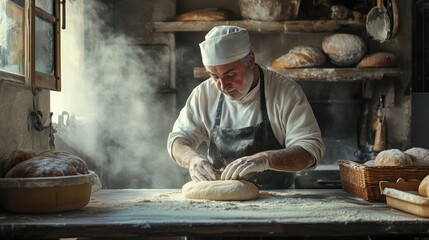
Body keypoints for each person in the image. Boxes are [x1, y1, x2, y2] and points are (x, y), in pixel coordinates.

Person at [167, 25, 325, 189]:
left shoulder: (286, 92)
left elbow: (309, 151)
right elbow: (177, 140)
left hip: (278, 200)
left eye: (230, 74)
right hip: (220, 201)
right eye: (214, 76)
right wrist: (193, 160)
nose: (222, 85)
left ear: (250, 60)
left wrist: (265, 159)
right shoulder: (204, 95)